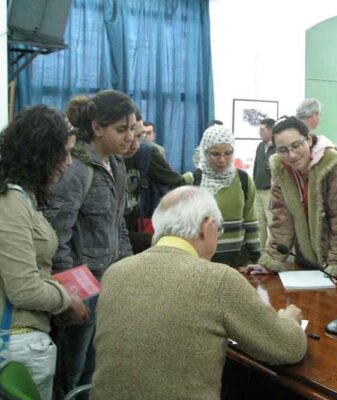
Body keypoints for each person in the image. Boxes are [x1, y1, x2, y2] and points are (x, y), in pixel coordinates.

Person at [90, 186, 307, 400]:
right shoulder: (217, 279)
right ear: (207, 226)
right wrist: (288, 319)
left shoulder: (114, 272)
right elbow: (287, 348)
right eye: (218, 230)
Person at [45, 90, 136, 396]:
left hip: (109, 283)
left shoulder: (117, 165)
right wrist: (70, 293)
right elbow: (56, 237)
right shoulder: (76, 168)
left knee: (97, 368)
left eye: (132, 129)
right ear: (97, 127)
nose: (128, 138)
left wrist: (128, 270)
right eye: (120, 130)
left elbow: (118, 223)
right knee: (70, 370)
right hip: (81, 288)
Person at [0, 105, 88, 399]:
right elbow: (23, 288)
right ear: (40, 153)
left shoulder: (22, 197)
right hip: (17, 342)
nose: (68, 163)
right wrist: (67, 301)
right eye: (63, 153)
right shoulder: (11, 201)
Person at [248, 116, 337, 285]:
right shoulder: (280, 168)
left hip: (336, 259)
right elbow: (281, 220)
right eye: (283, 150)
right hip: (305, 264)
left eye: (296, 146)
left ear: (308, 139)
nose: (291, 155)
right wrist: (271, 260)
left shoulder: (332, 164)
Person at [124, 113, 192, 253]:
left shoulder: (147, 153)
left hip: (140, 233)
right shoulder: (107, 162)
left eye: (139, 136)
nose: (135, 145)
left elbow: (175, 182)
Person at [194, 125, 261, 267]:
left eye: (228, 153)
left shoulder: (243, 180)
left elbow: (250, 220)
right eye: (215, 154)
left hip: (238, 260)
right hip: (203, 261)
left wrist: (256, 257)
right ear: (205, 152)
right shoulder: (193, 180)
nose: (222, 160)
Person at [253, 118, 277, 248]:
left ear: (271, 131)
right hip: (258, 190)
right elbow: (256, 167)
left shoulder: (278, 147)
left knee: (272, 223)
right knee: (259, 224)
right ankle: (259, 252)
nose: (259, 133)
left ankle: (272, 253)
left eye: (262, 130)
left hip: (271, 192)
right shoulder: (260, 146)